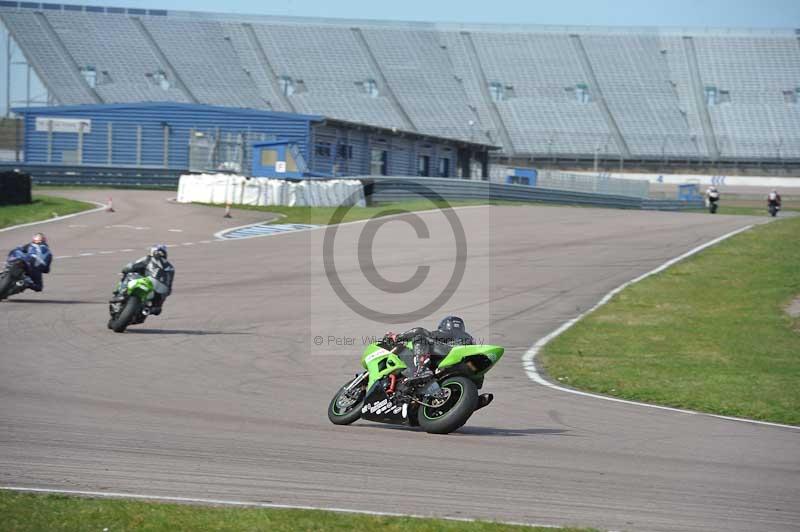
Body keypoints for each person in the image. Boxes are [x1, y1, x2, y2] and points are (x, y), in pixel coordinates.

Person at [385, 316, 474, 386]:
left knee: (420, 336)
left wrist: (397, 337)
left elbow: (420, 331)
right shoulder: (469, 337)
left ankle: (421, 369)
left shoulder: (444, 333)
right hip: (465, 366)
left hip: (449, 352)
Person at [118, 244, 174, 315]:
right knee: (157, 308)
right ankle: (148, 309)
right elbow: (169, 286)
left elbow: (132, 266)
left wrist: (125, 270)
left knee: (129, 275)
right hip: (159, 291)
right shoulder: (170, 267)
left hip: (147, 284)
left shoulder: (149, 258)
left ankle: (120, 293)